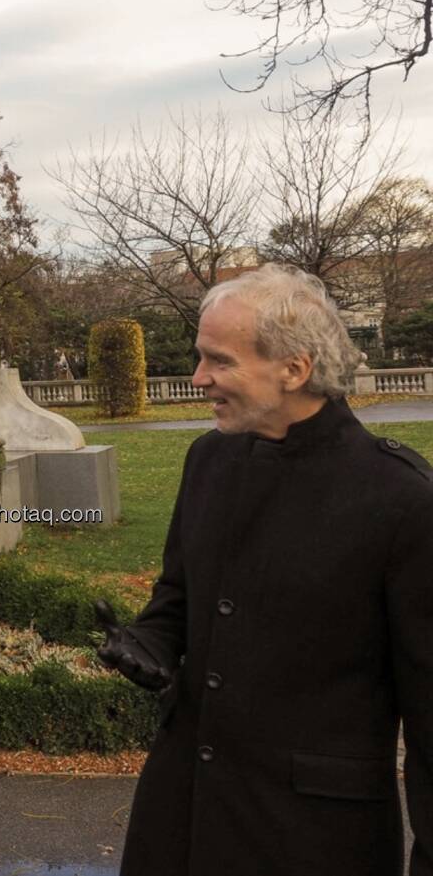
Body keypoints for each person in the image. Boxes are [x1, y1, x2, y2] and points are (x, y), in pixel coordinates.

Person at [96, 263, 432, 876]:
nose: (198, 377)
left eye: (219, 361)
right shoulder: (209, 459)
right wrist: (151, 638)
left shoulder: (402, 499)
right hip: (179, 821)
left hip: (314, 841)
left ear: (294, 369)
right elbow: (179, 593)